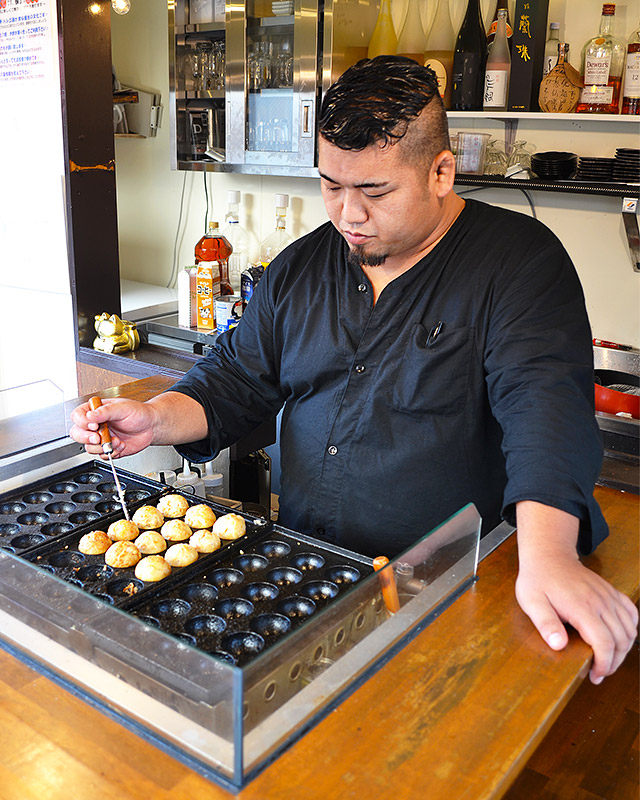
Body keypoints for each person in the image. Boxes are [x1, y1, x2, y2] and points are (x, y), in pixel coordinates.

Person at [70, 56, 637, 684]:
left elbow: (545, 413)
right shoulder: (300, 268)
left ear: (442, 171)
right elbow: (233, 379)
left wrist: (551, 556)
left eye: (374, 192)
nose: (348, 215)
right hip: (310, 569)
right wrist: (153, 418)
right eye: (331, 186)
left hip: (453, 588)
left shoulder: (518, 264)